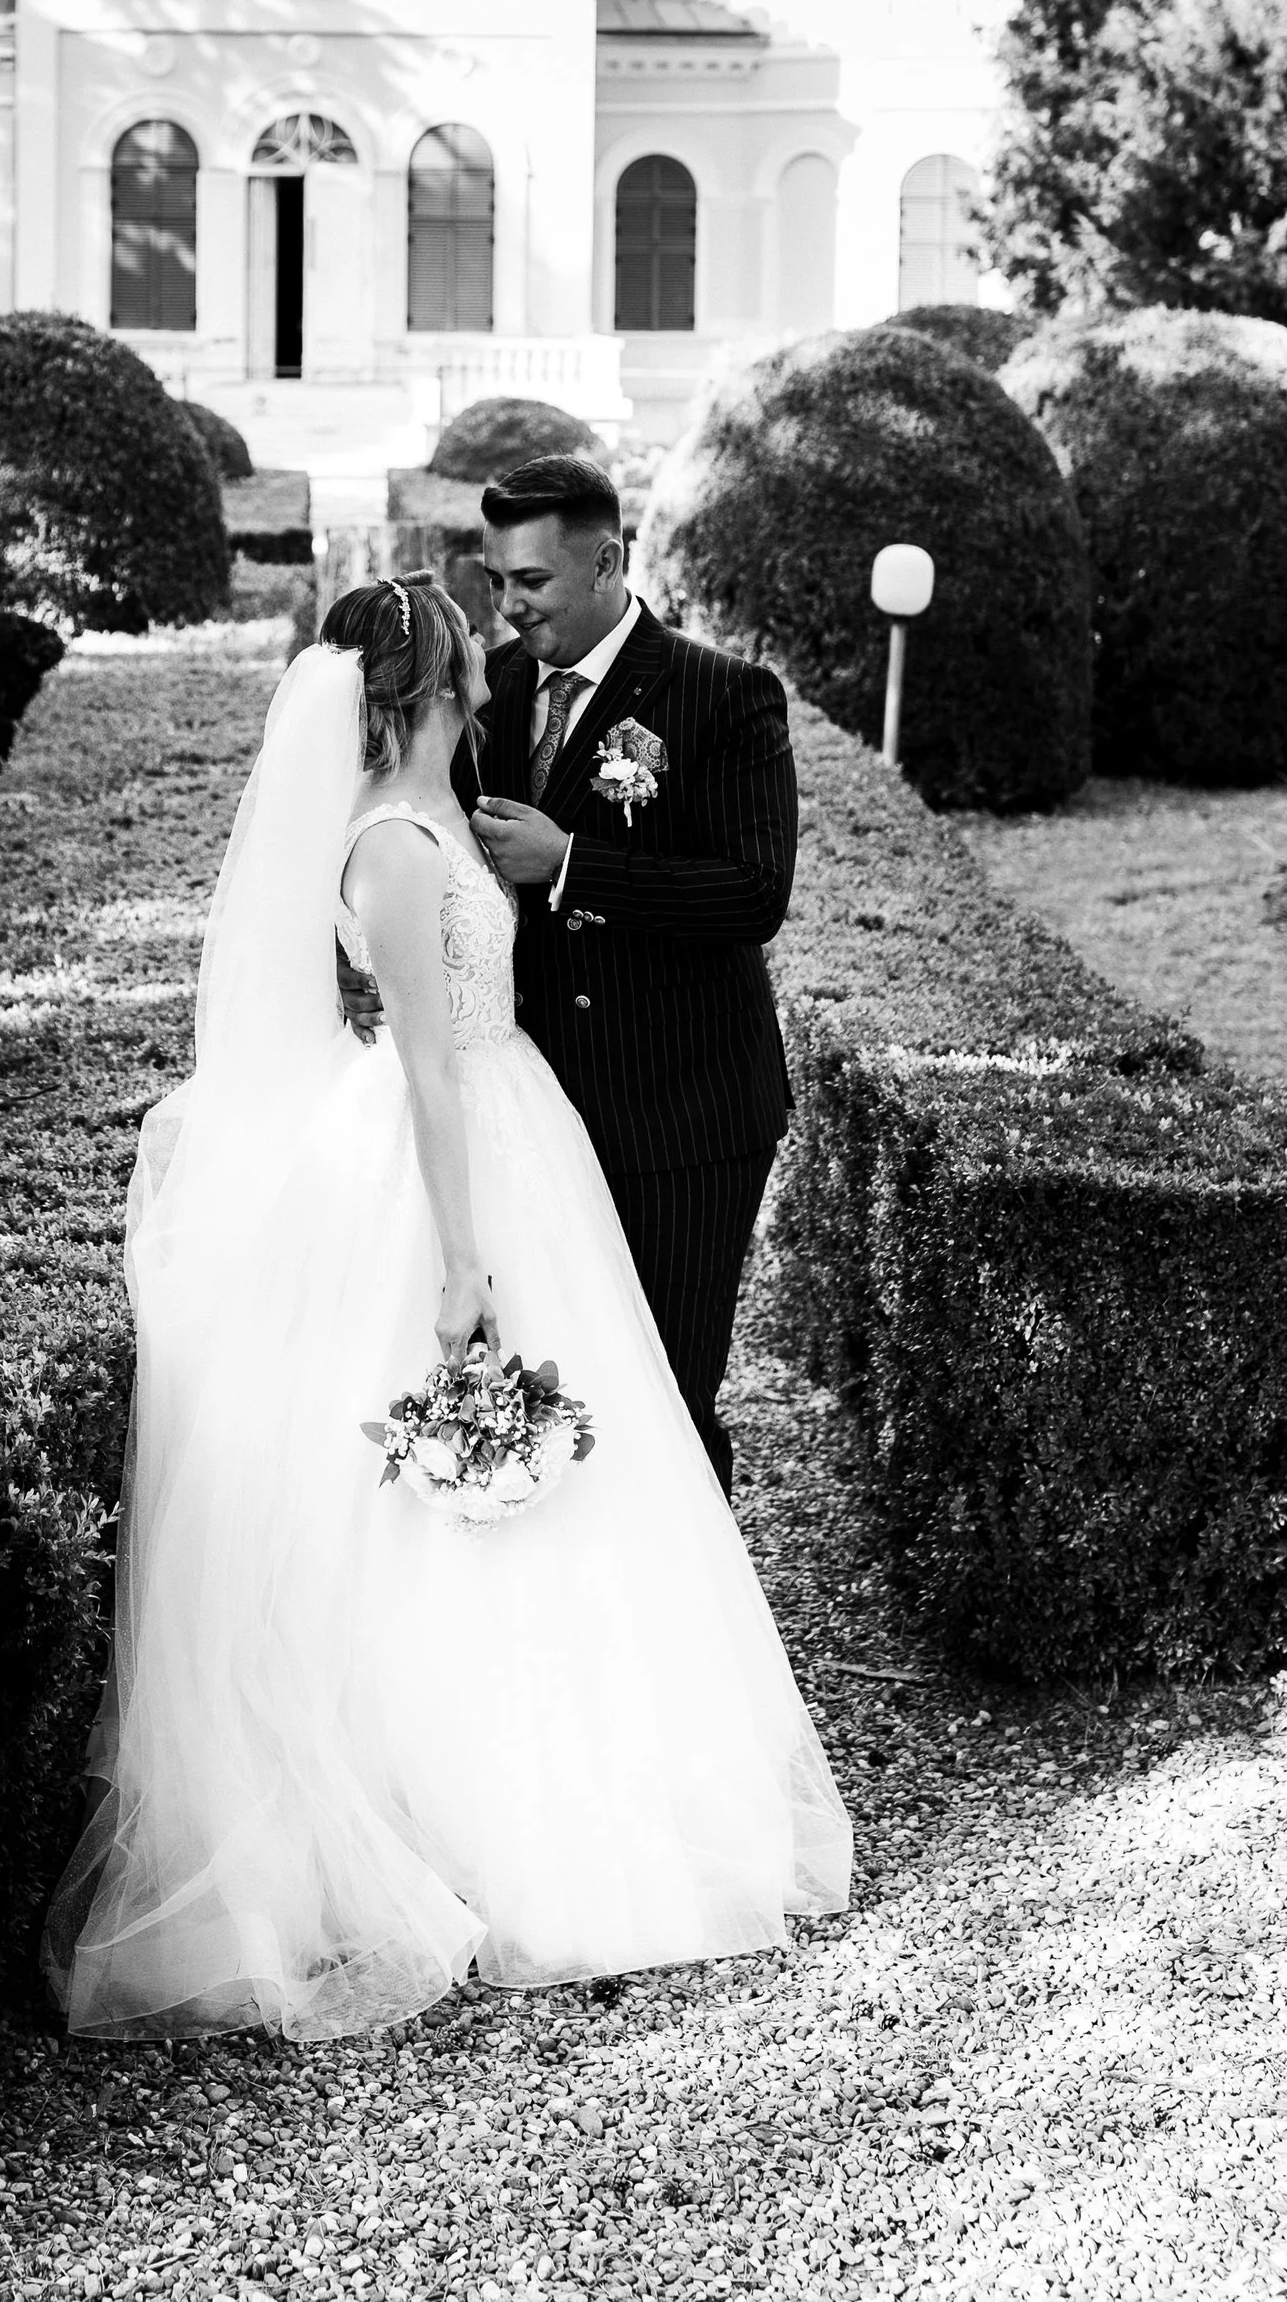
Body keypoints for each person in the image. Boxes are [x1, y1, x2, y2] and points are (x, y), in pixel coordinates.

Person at [43, 578, 849, 2042]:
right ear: (424, 686)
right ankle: (475, 1815)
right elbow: (422, 1064)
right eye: (470, 650)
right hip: (454, 1158)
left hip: (517, 1128)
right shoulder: (396, 850)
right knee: (448, 1499)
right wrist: (462, 1260)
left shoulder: (442, 813)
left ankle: (585, 1773)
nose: (495, 658)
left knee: (573, 1473)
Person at [357, 451, 796, 1499]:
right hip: (526, 1120)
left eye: (532, 584)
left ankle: (690, 1642)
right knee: (553, 1402)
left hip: (679, 1117)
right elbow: (419, 848)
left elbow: (752, 894)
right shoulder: (487, 693)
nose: (508, 609)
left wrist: (573, 864)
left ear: (607, 562)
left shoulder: (722, 698)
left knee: (666, 1401)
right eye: (496, 583)